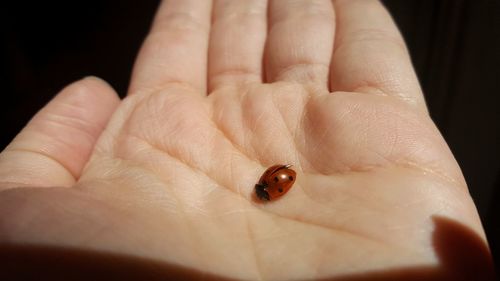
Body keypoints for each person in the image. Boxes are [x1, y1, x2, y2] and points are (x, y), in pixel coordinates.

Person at [0, 0, 495, 280]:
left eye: (268, 189)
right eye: (269, 189)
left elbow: (279, 176)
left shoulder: (274, 180)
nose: (269, 188)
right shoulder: (272, 182)